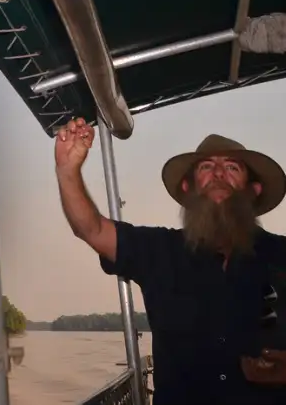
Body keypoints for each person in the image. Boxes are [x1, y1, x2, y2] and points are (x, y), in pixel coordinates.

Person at [55, 117, 286, 405]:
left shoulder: (281, 255)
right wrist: (67, 170)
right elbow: (92, 229)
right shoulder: (159, 251)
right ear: (188, 188)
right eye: (205, 167)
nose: (218, 174)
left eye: (232, 167)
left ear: (253, 190)